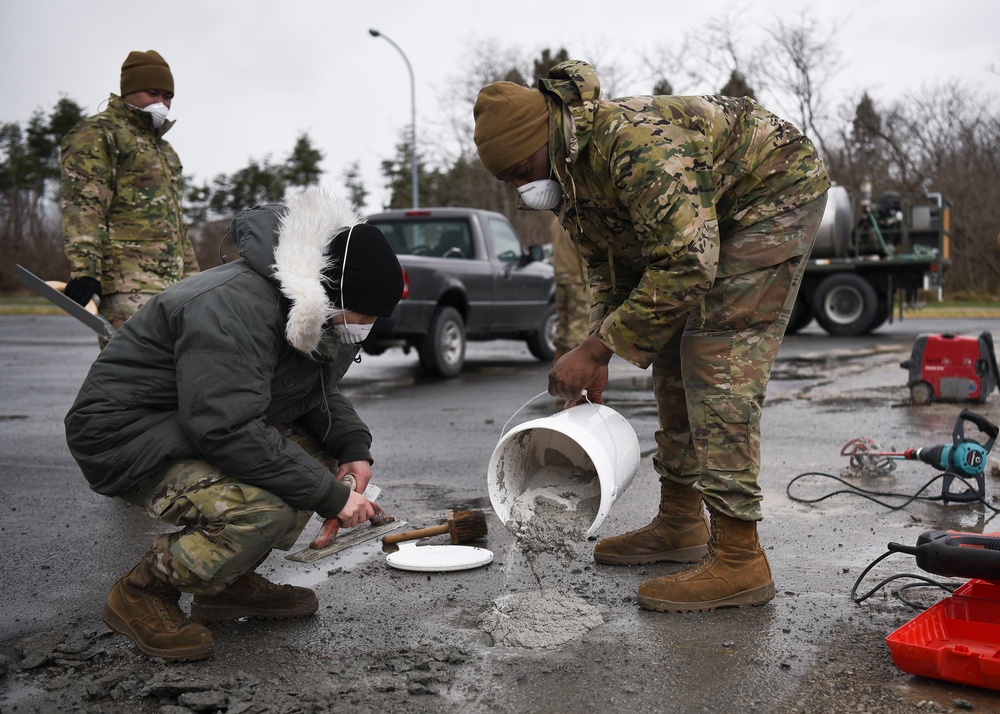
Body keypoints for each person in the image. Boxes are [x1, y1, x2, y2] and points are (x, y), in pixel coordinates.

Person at [473, 60, 830, 613]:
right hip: (711, 217)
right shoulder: (573, 174)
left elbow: (689, 262)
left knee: (715, 355)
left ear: (546, 136)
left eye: (522, 170)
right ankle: (681, 522)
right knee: (666, 348)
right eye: (509, 182)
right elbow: (608, 267)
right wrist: (603, 349)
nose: (524, 187)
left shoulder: (632, 145)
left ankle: (740, 556)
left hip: (771, 193)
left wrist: (593, 348)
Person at [64, 187, 404, 661]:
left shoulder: (310, 307)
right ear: (331, 291)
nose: (365, 327)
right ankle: (143, 592)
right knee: (263, 508)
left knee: (318, 458)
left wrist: (353, 447)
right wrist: (331, 497)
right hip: (129, 436)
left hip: (192, 422)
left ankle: (223, 583)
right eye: (364, 314)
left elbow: (309, 389)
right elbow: (227, 429)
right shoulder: (232, 307)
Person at [61, 49, 199, 343]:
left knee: (175, 380)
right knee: (135, 379)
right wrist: (85, 272)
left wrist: (196, 283)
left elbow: (177, 226)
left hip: (175, 290)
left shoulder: (164, 151)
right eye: (153, 93)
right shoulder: (99, 134)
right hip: (127, 287)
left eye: (167, 95)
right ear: (130, 91)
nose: (161, 102)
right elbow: (84, 206)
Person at [550, 216, 591, 363]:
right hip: (579, 278)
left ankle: (558, 366)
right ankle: (574, 370)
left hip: (561, 276)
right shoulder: (579, 220)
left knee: (563, 325)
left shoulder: (557, 221)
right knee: (578, 327)